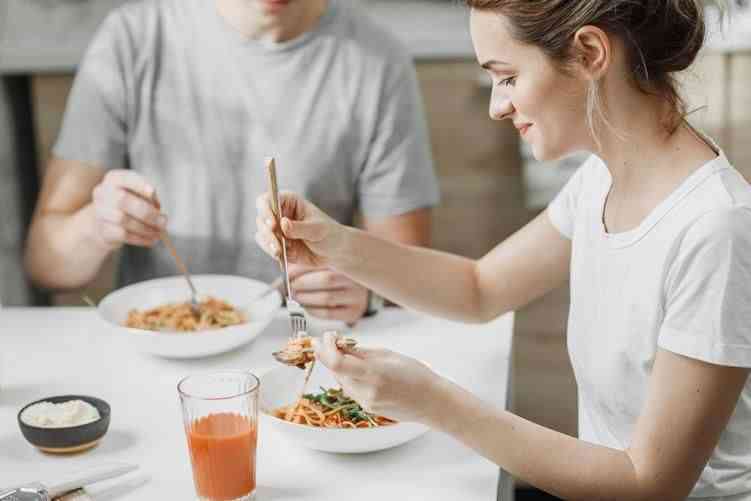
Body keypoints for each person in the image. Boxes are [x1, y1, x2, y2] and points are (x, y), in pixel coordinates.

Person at [256, 0, 751, 499]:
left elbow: (650, 484)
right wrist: (332, 243)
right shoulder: (601, 179)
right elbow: (479, 290)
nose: (498, 105)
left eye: (508, 77)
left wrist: (434, 403)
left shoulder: (715, 230)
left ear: (589, 53)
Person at [24, 0, 439, 324]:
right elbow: (45, 263)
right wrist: (98, 224)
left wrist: (368, 294)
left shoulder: (377, 60)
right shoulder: (132, 40)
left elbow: (411, 278)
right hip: (158, 342)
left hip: (300, 347)